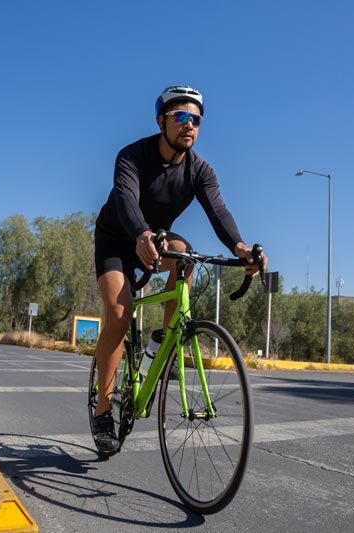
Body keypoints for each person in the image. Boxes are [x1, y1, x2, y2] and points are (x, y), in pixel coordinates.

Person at [91, 85, 267, 453]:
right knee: (120, 316)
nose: (190, 125)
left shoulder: (200, 170)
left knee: (186, 254)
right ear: (162, 121)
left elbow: (218, 211)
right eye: (181, 117)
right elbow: (125, 199)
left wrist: (240, 248)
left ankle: (164, 339)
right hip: (118, 237)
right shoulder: (132, 156)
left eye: (196, 120)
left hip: (157, 238)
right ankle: (104, 408)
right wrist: (139, 233)